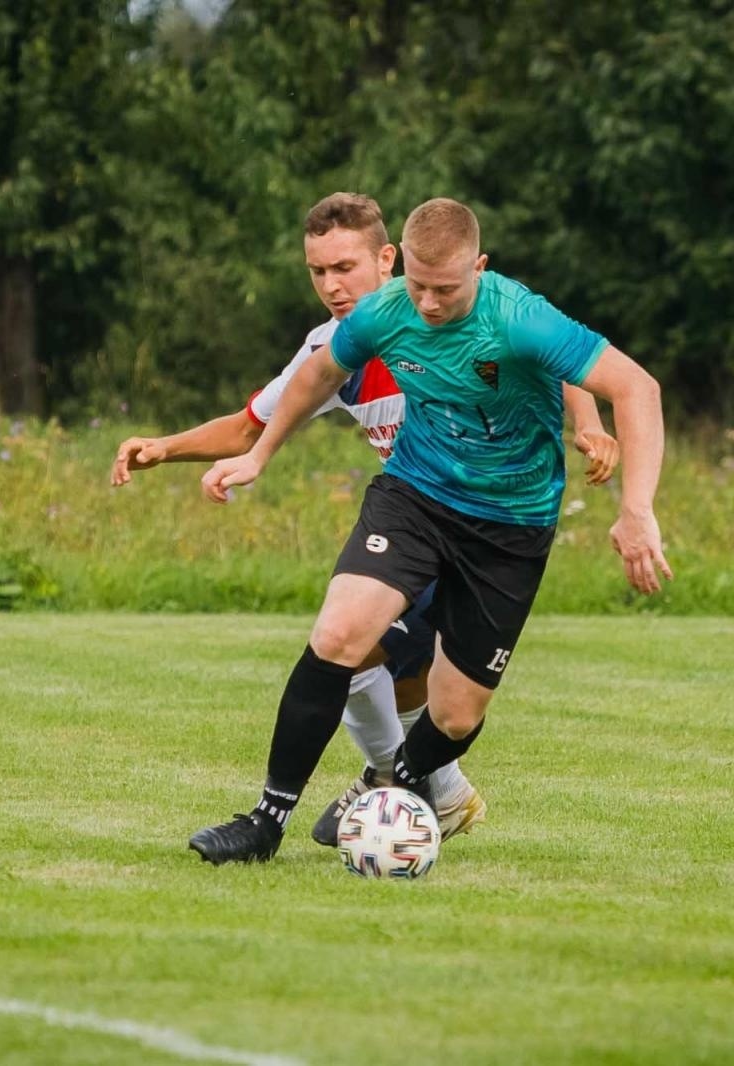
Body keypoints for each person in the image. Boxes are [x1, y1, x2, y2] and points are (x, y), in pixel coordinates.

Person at [110, 192, 618, 848]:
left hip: (491, 524)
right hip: (418, 521)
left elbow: (558, 355)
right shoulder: (335, 348)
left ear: (388, 259)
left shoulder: (463, 312)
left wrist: (589, 423)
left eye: (344, 267)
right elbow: (248, 425)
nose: (331, 285)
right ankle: (416, 790)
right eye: (318, 272)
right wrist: (164, 448)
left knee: (372, 662)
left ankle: (397, 782)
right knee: (354, 647)